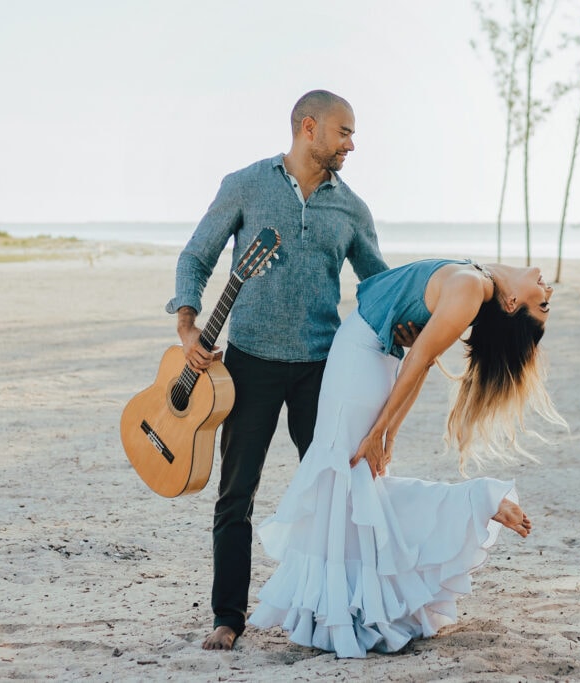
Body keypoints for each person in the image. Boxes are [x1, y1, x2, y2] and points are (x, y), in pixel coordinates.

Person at [166, 90, 415, 651]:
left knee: (337, 488)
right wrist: (187, 326)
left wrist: (412, 324)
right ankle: (227, 616)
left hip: (320, 369)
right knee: (236, 494)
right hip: (247, 365)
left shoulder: (351, 208)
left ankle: (343, 603)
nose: (352, 143)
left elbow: (378, 285)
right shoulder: (246, 184)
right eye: (344, 132)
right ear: (310, 127)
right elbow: (196, 256)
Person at [247, 258, 566, 658]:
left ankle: (350, 610)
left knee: (349, 483)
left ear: (512, 302)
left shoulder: (471, 288)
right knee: (354, 488)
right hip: (369, 358)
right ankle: (350, 608)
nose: (548, 292)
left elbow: (419, 361)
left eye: (544, 305)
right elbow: (421, 357)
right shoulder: (477, 283)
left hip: (361, 359)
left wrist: (383, 430)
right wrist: (388, 429)